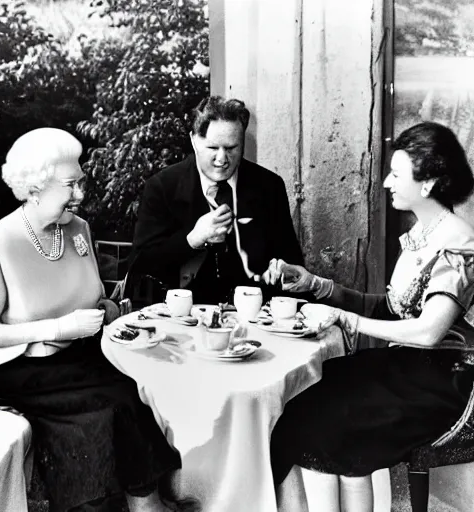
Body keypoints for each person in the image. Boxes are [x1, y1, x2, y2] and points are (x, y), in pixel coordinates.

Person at [0, 128, 184, 512]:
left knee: (139, 392)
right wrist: (58, 329)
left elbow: (94, 297)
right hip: (21, 370)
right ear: (35, 188)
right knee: (105, 412)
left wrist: (110, 310)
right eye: (71, 185)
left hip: (80, 359)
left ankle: (148, 504)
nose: (81, 194)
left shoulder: (79, 230)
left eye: (81, 183)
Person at [265, 122, 474, 512]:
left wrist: (343, 320)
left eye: (396, 174)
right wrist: (318, 285)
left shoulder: (459, 242)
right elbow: (391, 310)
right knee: (301, 402)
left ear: (427, 184)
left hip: (446, 379)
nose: (384, 182)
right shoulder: (424, 232)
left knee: (329, 420)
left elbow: (429, 332)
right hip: (406, 367)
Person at [126, 95, 304, 305]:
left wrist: (284, 270)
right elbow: (140, 268)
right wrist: (192, 239)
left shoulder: (269, 186)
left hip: (255, 319)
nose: (222, 159)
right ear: (194, 141)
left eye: (231, 148)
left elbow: (292, 261)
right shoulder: (162, 187)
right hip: (184, 319)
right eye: (212, 148)